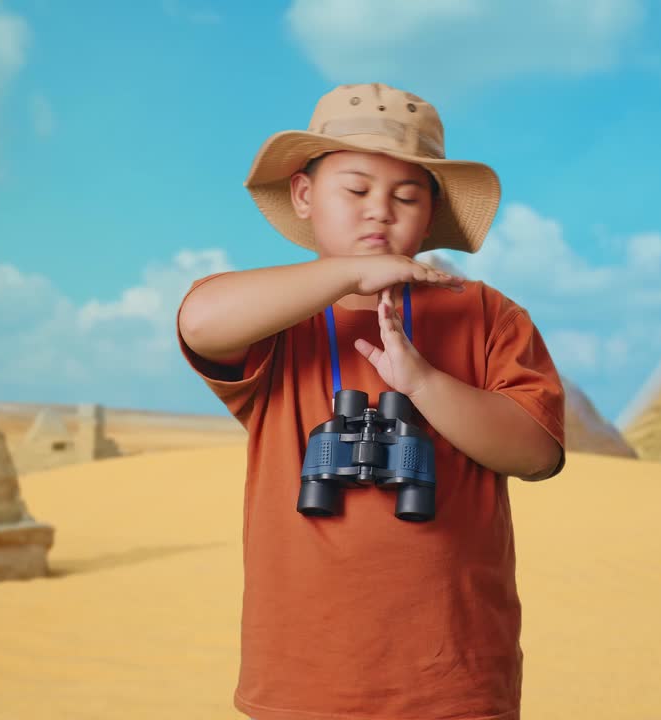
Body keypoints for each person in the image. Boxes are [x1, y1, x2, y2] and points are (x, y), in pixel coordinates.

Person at [177, 82, 566, 720]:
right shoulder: (275, 316)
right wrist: (350, 276)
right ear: (304, 195)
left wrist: (425, 386)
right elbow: (199, 320)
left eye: (406, 196)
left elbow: (535, 451)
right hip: (304, 675)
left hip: (454, 674)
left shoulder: (486, 313)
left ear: (432, 211)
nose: (379, 212)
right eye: (355, 191)